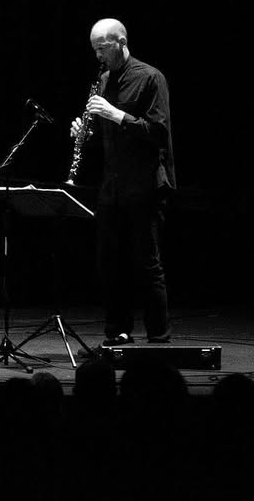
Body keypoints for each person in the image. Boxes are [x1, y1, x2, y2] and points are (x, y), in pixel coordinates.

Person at [71, 18, 175, 346]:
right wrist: (84, 134)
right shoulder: (103, 80)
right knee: (110, 263)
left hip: (145, 185)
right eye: (94, 49)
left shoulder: (151, 78)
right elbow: (107, 139)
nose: (98, 55)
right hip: (112, 186)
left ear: (122, 42)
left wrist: (116, 114)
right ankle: (118, 332)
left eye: (103, 48)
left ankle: (159, 337)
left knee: (146, 263)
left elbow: (158, 132)